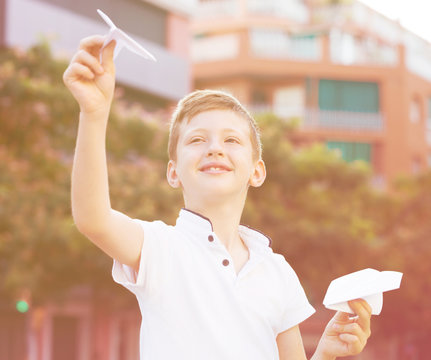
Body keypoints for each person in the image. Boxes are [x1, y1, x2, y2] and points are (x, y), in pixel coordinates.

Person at [63, 35, 372, 360]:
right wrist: (94, 114)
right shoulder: (160, 248)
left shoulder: (277, 271)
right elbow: (92, 219)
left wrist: (324, 354)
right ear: (173, 172)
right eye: (197, 139)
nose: (215, 147)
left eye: (231, 140)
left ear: (257, 171)